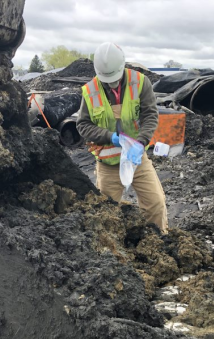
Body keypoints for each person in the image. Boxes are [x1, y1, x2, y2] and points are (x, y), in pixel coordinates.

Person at [77, 42, 168, 233]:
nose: (111, 83)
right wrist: (110, 137)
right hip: (108, 163)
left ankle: (158, 243)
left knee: (156, 204)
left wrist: (140, 143)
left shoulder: (140, 82)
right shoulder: (90, 90)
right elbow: (82, 125)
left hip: (136, 159)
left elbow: (150, 115)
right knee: (106, 216)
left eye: (114, 78)